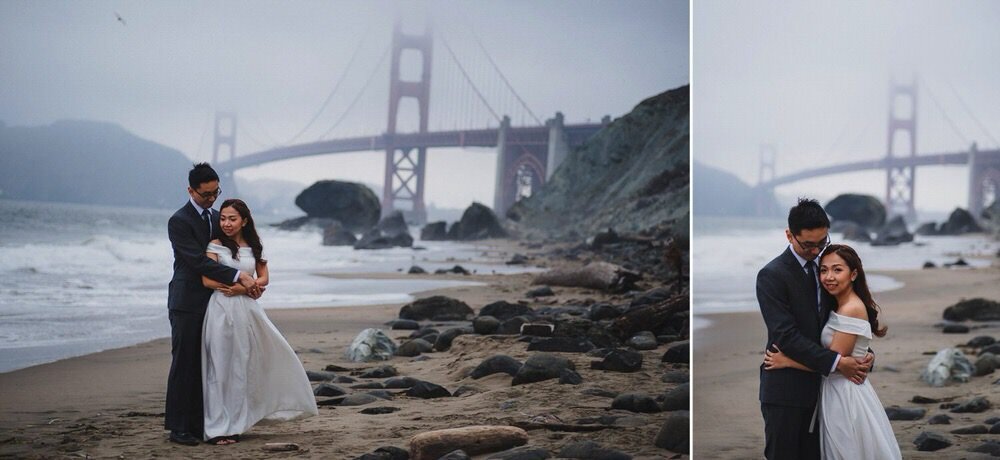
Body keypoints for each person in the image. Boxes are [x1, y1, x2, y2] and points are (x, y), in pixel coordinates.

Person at [756, 198, 872, 460]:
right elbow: (785, 335)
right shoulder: (772, 275)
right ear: (789, 235)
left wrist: (863, 353)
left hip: (826, 393)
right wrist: (838, 362)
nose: (816, 250)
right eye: (808, 244)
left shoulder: (826, 271)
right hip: (786, 390)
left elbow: (839, 324)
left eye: (823, 242)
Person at [764, 244, 901, 459]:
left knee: (844, 450)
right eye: (824, 270)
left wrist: (787, 362)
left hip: (844, 393)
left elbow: (834, 362)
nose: (829, 277)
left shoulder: (851, 308)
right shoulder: (837, 303)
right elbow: (838, 357)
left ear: (853, 274)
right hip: (834, 390)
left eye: (837, 270)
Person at [200, 198, 318, 444]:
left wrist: (245, 289)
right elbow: (207, 281)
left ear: (244, 220)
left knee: (243, 365)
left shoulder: (255, 246)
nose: (226, 223)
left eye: (232, 219)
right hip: (221, 309)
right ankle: (218, 428)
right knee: (220, 367)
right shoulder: (216, 244)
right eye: (222, 218)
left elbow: (263, 278)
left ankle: (238, 423)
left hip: (248, 310)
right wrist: (235, 286)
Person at [166, 163, 260, 446]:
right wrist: (237, 276)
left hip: (219, 301)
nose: (211, 199)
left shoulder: (221, 217)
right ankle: (179, 428)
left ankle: (208, 422)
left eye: (215, 192)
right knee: (186, 362)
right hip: (188, 300)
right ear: (190, 190)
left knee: (215, 364)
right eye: (205, 194)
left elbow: (240, 249)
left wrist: (252, 281)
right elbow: (197, 260)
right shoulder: (179, 221)